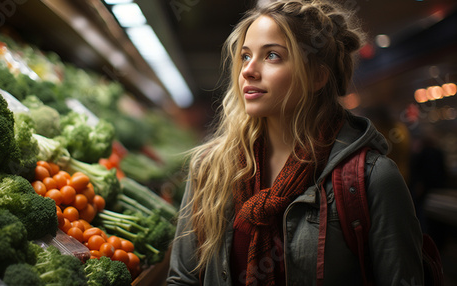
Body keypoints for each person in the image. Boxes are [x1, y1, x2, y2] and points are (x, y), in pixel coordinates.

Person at [167, 0, 423, 285]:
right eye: (245, 56)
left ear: (316, 77)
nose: (248, 71)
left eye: (272, 56)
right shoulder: (210, 169)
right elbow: (183, 279)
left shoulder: (371, 179)